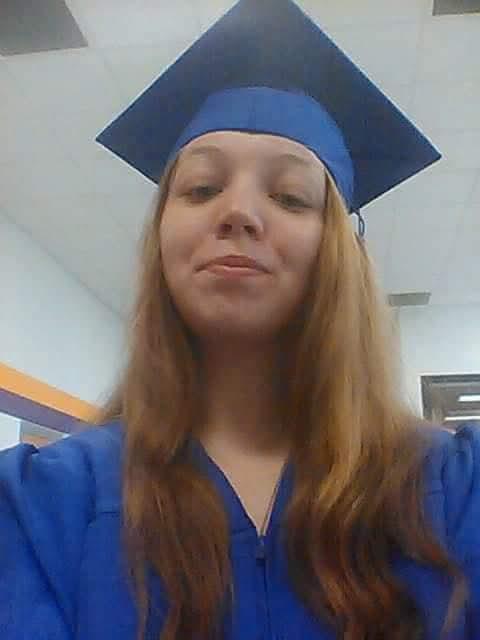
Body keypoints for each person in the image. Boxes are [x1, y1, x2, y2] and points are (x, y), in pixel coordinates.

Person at [1, 0, 479, 639]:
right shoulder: (40, 505)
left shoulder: (455, 488)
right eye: (201, 189)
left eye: (290, 197)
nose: (238, 212)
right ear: (161, 235)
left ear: (342, 250)